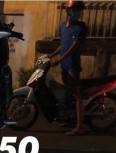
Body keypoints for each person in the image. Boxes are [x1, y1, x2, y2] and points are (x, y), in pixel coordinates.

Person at [48, 0, 87, 135]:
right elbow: (63, 45)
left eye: (80, 11)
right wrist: (51, 55)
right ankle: (70, 119)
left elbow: (74, 47)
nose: (79, 13)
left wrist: (59, 59)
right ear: (69, 11)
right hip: (64, 65)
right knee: (69, 93)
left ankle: (80, 127)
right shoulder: (63, 26)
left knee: (77, 95)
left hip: (72, 65)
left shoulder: (81, 27)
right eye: (76, 10)